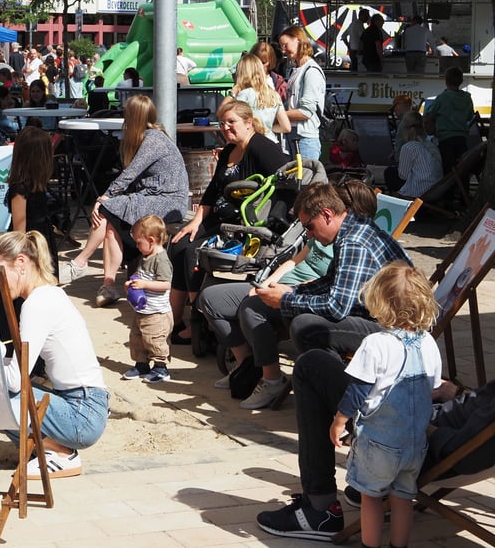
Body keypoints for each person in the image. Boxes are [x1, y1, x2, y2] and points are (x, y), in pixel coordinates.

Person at [259, 349, 495, 541]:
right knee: (336, 362)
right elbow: (480, 407)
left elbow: (464, 453)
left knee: (312, 365)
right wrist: (453, 392)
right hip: (428, 423)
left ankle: (320, 511)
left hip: (412, 442)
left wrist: (414, 423)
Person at [234, 182, 412, 410]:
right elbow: (331, 283)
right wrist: (293, 291)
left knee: (306, 326)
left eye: (309, 226)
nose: (309, 234)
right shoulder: (351, 230)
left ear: (327, 214)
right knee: (295, 315)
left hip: (394, 329)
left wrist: (286, 300)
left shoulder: (353, 242)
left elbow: (337, 307)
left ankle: (344, 403)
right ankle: (330, 394)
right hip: (374, 314)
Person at [199, 180, 378, 395]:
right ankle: (247, 367)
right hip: (289, 288)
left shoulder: (352, 245)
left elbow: (333, 296)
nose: (309, 233)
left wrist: (287, 294)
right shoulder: (328, 236)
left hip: (309, 298)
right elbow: (296, 261)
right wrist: (269, 283)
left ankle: (272, 379)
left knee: (255, 308)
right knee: (210, 298)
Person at [329, 262, 442, 548]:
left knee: (370, 496)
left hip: (380, 442)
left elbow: (358, 390)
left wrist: (340, 420)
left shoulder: (375, 343)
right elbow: (433, 387)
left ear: (379, 302)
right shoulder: (428, 341)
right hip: (414, 443)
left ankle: (370, 545)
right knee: (403, 498)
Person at [0, 231, 109, 479]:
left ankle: (59, 452)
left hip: (83, 413)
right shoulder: (50, 294)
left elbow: (15, 380)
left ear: (21, 263)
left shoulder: (37, 304)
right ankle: (53, 449)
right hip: (85, 403)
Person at [169, 99, 287, 338]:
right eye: (222, 123)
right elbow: (212, 191)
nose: (225, 128)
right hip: (219, 220)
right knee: (179, 243)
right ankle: (174, 320)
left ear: (248, 122)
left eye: (231, 122)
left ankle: (199, 322)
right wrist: (195, 222)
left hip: (243, 225)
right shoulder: (229, 151)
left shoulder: (260, 146)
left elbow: (287, 175)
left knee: (194, 251)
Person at [64, 96, 189, 308]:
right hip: (154, 197)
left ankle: (81, 262)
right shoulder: (151, 136)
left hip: (168, 202)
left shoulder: (153, 139)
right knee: (111, 225)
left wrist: (103, 198)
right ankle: (108, 285)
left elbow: (128, 175)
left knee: (106, 208)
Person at [121, 215, 173, 384]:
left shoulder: (161, 260)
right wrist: (133, 283)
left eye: (138, 242)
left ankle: (161, 367)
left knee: (155, 340)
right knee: (137, 338)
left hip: (157, 313)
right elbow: (141, 276)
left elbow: (165, 284)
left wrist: (144, 284)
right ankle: (141, 364)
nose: (137, 246)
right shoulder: (145, 257)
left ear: (151, 240)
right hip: (143, 309)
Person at [5, 125, 57, 273]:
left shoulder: (40, 185)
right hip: (29, 246)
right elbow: (19, 231)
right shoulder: (20, 190)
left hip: (43, 240)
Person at [278, 26, 326, 160]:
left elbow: (306, 112)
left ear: (298, 40)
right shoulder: (294, 70)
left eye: (285, 45)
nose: (283, 50)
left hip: (305, 139)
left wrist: (277, 114)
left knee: (306, 180)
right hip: (292, 136)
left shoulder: (311, 71)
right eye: (281, 46)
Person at [232, 52, 290, 149]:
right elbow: (286, 127)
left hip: (251, 144)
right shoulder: (274, 94)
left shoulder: (244, 94)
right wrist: (268, 129)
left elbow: (235, 122)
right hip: (272, 143)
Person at [424, 67, 473, 174]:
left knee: (447, 170)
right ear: (461, 81)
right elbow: (470, 116)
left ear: (446, 81)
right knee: (462, 169)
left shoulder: (442, 98)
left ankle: (449, 190)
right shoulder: (467, 98)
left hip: (445, 139)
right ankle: (462, 189)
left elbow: (430, 114)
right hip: (462, 138)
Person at [387, 112, 443, 197]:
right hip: (436, 188)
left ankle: (397, 200)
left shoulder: (409, 147)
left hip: (420, 190)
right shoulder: (431, 143)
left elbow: (403, 176)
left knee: (389, 172)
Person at [341, 8, 368, 72]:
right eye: (367, 16)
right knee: (359, 69)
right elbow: (363, 39)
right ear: (362, 16)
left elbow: (343, 36)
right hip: (358, 51)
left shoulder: (352, 23)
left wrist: (348, 46)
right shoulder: (359, 25)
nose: (368, 18)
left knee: (354, 68)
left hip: (352, 50)